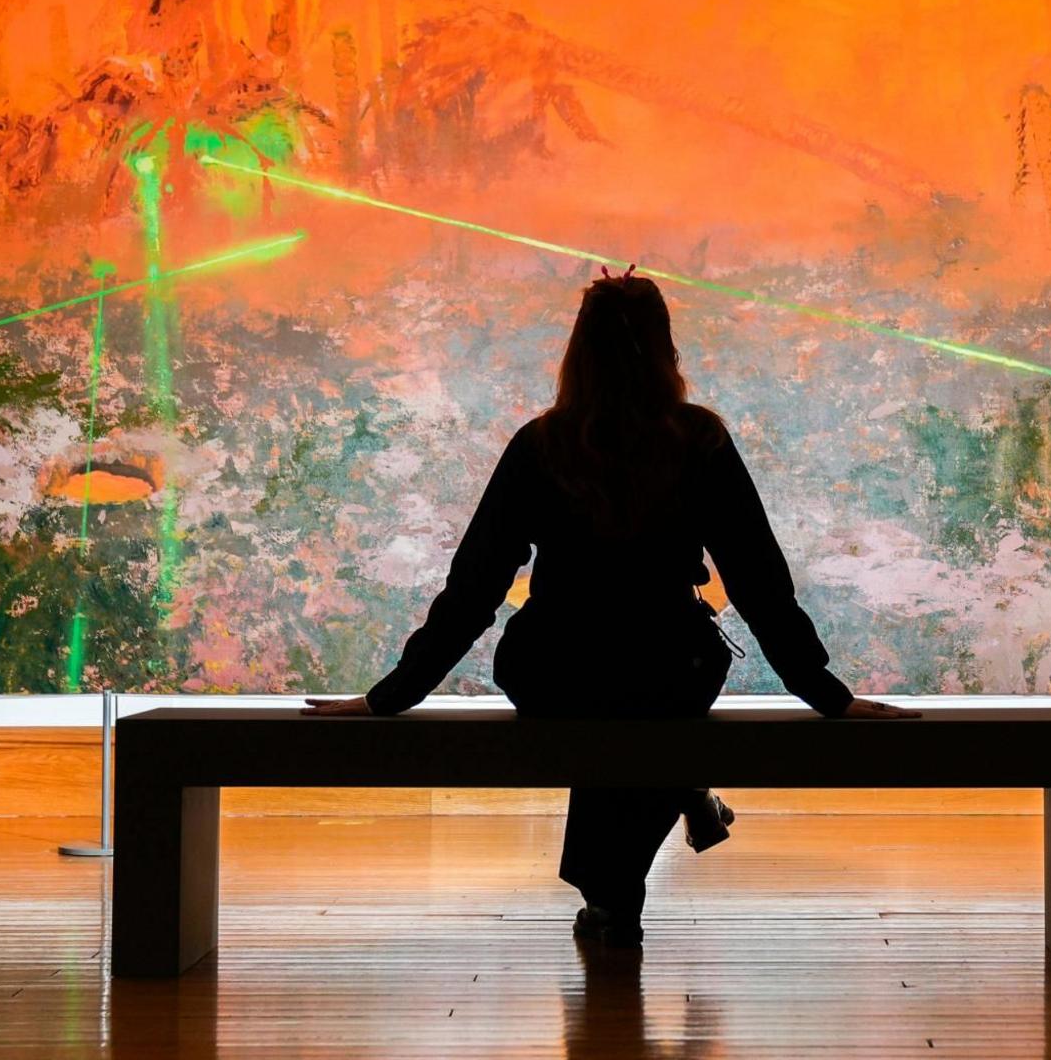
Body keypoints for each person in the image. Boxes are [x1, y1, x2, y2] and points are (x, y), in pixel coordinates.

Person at [304, 266, 918, 946]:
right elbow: (758, 583)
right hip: (670, 664)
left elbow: (473, 587)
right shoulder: (700, 441)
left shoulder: (542, 445)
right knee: (645, 701)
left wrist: (391, 696)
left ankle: (616, 895)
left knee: (604, 696)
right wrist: (825, 694)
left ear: (578, 351)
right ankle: (655, 829)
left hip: (552, 666)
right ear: (665, 350)